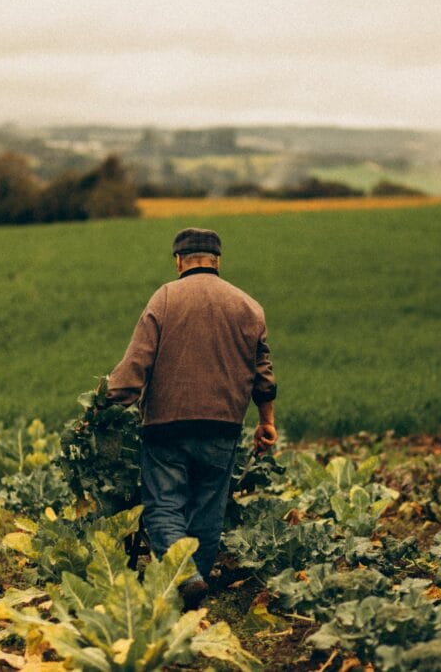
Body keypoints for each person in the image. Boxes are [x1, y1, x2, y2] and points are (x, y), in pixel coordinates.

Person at [107, 227, 278, 608]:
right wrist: (266, 421)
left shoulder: (165, 297)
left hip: (166, 426)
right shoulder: (248, 305)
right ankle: (192, 593)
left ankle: (185, 577)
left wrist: (107, 403)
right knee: (207, 509)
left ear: (178, 260)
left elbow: (136, 363)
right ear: (218, 261)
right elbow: (263, 374)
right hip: (223, 425)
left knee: (164, 506)